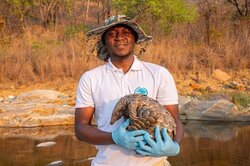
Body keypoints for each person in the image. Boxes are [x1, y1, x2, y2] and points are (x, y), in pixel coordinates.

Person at [75, 15, 184, 166]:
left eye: (126, 33)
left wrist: (174, 147)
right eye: (112, 34)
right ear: (104, 42)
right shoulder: (91, 78)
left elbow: (175, 119)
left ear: (135, 39)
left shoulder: (158, 73)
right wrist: (113, 137)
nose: (120, 37)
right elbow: (81, 128)